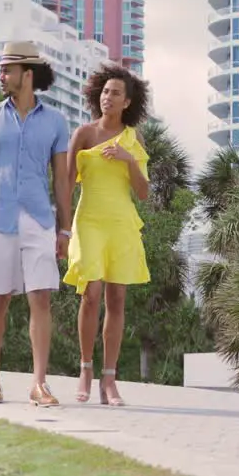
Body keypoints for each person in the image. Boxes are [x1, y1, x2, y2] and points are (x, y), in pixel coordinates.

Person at [0, 40, 73, 407]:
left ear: (27, 73)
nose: (0, 76)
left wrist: (65, 229)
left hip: (39, 219)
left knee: (41, 298)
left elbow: (61, 180)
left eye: (6, 69)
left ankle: (39, 384)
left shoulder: (56, 122)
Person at [63, 61, 151, 407]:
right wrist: (61, 227)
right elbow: (67, 184)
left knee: (116, 300)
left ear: (127, 102)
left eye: (115, 93)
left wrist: (129, 160)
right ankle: (85, 369)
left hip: (121, 223)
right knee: (91, 293)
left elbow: (143, 193)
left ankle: (109, 379)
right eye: (105, 92)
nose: (108, 98)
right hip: (89, 221)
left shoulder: (133, 139)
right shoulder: (83, 134)